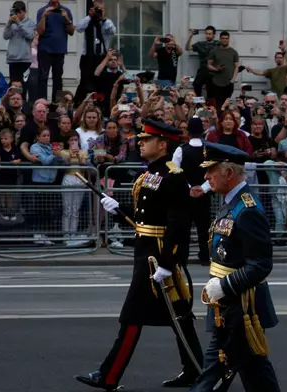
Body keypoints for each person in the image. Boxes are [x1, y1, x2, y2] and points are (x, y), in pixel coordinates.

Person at [74, 120, 204, 391]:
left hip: (156, 255)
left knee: (132, 315)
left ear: (163, 145)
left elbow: (178, 225)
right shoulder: (149, 173)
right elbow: (145, 218)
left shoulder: (173, 175)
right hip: (145, 249)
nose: (140, 143)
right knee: (178, 312)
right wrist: (119, 208)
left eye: (147, 139)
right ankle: (196, 370)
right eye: (141, 139)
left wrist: (168, 263)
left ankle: (109, 376)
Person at [190, 142, 280, 392]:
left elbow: (261, 264)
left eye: (212, 170)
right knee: (255, 372)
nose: (206, 176)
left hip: (240, 307)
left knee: (214, 371)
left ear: (229, 173)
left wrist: (224, 285)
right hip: (228, 305)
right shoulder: (232, 202)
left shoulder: (247, 209)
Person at [171, 116, 212, 265]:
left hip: (185, 195)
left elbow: (175, 171)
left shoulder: (181, 150)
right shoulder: (209, 149)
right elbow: (213, 171)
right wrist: (203, 188)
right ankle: (205, 256)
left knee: (184, 227)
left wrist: (188, 187)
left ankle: (182, 256)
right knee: (204, 228)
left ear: (187, 132)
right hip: (203, 194)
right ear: (203, 131)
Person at [36, 0, 75, 102]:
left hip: (59, 50)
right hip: (45, 49)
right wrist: (44, 16)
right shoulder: (41, 11)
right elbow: (40, 31)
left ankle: (56, 104)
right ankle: (42, 103)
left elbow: (71, 32)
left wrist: (67, 18)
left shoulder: (66, 11)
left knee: (58, 79)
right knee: (43, 78)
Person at [3, 1, 36, 97]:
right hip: (13, 59)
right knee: (13, 85)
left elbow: (30, 36)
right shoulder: (11, 23)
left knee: (23, 85)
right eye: (15, 12)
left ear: (24, 12)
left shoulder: (30, 23)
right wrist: (9, 23)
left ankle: (23, 105)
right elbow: (6, 36)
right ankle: (13, 105)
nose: (17, 14)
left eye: (19, 12)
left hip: (24, 59)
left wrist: (18, 23)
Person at [186, 25, 220, 98]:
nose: (207, 35)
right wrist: (190, 36)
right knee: (196, 84)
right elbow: (187, 48)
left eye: (209, 34)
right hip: (203, 69)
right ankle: (199, 102)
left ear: (214, 35)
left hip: (213, 71)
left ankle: (210, 105)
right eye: (206, 33)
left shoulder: (218, 44)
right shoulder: (200, 44)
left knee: (211, 90)